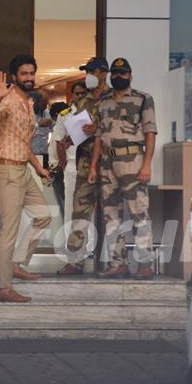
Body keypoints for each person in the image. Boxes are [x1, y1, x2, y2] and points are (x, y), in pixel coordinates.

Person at [0, 55, 52, 303]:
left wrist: (39, 168)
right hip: (7, 172)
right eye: (24, 74)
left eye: (32, 73)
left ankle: (16, 264)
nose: (29, 78)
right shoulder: (8, 100)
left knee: (43, 216)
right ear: (15, 76)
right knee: (8, 231)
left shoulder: (28, 102)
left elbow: (24, 144)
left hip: (24, 169)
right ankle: (3, 288)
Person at [88, 58, 157, 280]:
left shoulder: (143, 99)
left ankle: (145, 264)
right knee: (110, 216)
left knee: (139, 213)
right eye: (115, 74)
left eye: (123, 73)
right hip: (107, 164)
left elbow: (150, 133)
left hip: (133, 161)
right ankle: (119, 264)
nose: (118, 77)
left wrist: (147, 164)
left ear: (130, 75)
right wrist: (93, 166)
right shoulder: (104, 102)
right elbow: (98, 136)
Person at [58, 58, 111, 275]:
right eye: (87, 71)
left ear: (102, 73)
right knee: (79, 212)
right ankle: (75, 261)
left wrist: (97, 129)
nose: (88, 74)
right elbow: (76, 129)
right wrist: (70, 139)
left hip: (110, 162)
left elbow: (121, 129)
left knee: (111, 213)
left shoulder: (115, 97)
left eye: (91, 71)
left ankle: (114, 261)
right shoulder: (83, 101)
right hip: (85, 162)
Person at [29, 90, 52, 168]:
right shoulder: (26, 111)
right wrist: (38, 124)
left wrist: (50, 122)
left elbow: (51, 123)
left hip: (44, 152)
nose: (45, 107)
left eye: (46, 104)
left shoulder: (46, 111)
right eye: (43, 104)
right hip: (30, 154)